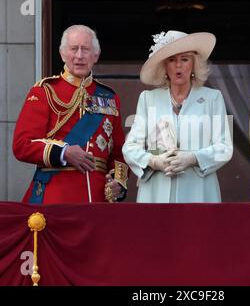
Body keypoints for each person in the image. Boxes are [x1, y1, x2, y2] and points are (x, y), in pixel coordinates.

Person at [13, 25, 128, 204]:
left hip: (98, 200)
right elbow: (22, 145)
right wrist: (64, 152)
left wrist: (118, 183)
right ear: (62, 54)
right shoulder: (45, 91)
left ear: (95, 56)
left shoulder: (109, 97)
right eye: (74, 48)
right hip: (56, 197)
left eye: (86, 49)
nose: (80, 56)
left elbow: (119, 153)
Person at [122, 30, 233, 203]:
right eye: (172, 60)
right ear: (164, 66)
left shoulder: (213, 97)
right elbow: (130, 148)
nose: (178, 66)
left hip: (199, 193)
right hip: (155, 193)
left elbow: (225, 148)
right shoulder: (148, 98)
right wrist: (154, 161)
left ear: (194, 64)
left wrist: (193, 158)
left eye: (184, 59)